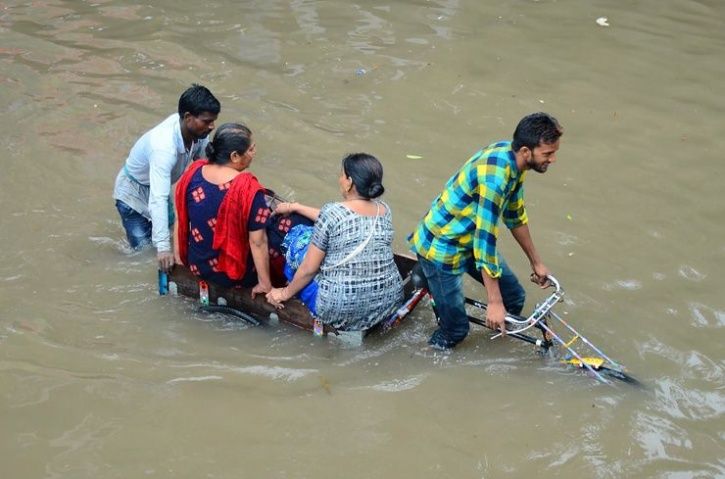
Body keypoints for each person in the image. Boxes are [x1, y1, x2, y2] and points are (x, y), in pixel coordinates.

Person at [409, 112, 563, 349]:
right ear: (525, 151)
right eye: (548, 153)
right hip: (442, 247)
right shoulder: (496, 179)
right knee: (457, 331)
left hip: (468, 239)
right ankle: (429, 354)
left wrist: (536, 263)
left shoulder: (514, 162)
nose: (553, 159)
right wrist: (493, 302)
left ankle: (496, 336)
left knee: (515, 298)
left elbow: (515, 215)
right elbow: (485, 241)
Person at [266, 153, 403, 331]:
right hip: (389, 302)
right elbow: (337, 219)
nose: (340, 179)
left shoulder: (332, 213)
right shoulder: (383, 210)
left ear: (350, 182)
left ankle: (290, 285)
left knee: (298, 237)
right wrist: (296, 206)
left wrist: (283, 294)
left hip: (340, 310)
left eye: (342, 175)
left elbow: (309, 269)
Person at [174, 122, 295, 296]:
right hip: (232, 275)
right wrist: (265, 285)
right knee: (288, 227)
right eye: (251, 149)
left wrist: (179, 258)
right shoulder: (249, 190)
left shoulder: (192, 173)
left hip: (197, 264)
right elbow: (257, 242)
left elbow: (180, 217)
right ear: (235, 156)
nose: (254, 153)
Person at [113, 84, 220, 272]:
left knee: (172, 234)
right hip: (132, 195)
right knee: (143, 252)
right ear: (188, 118)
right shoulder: (164, 147)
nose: (211, 126)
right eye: (207, 121)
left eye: (213, 121)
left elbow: (206, 165)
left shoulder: (198, 132)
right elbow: (158, 198)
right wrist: (162, 248)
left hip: (158, 186)